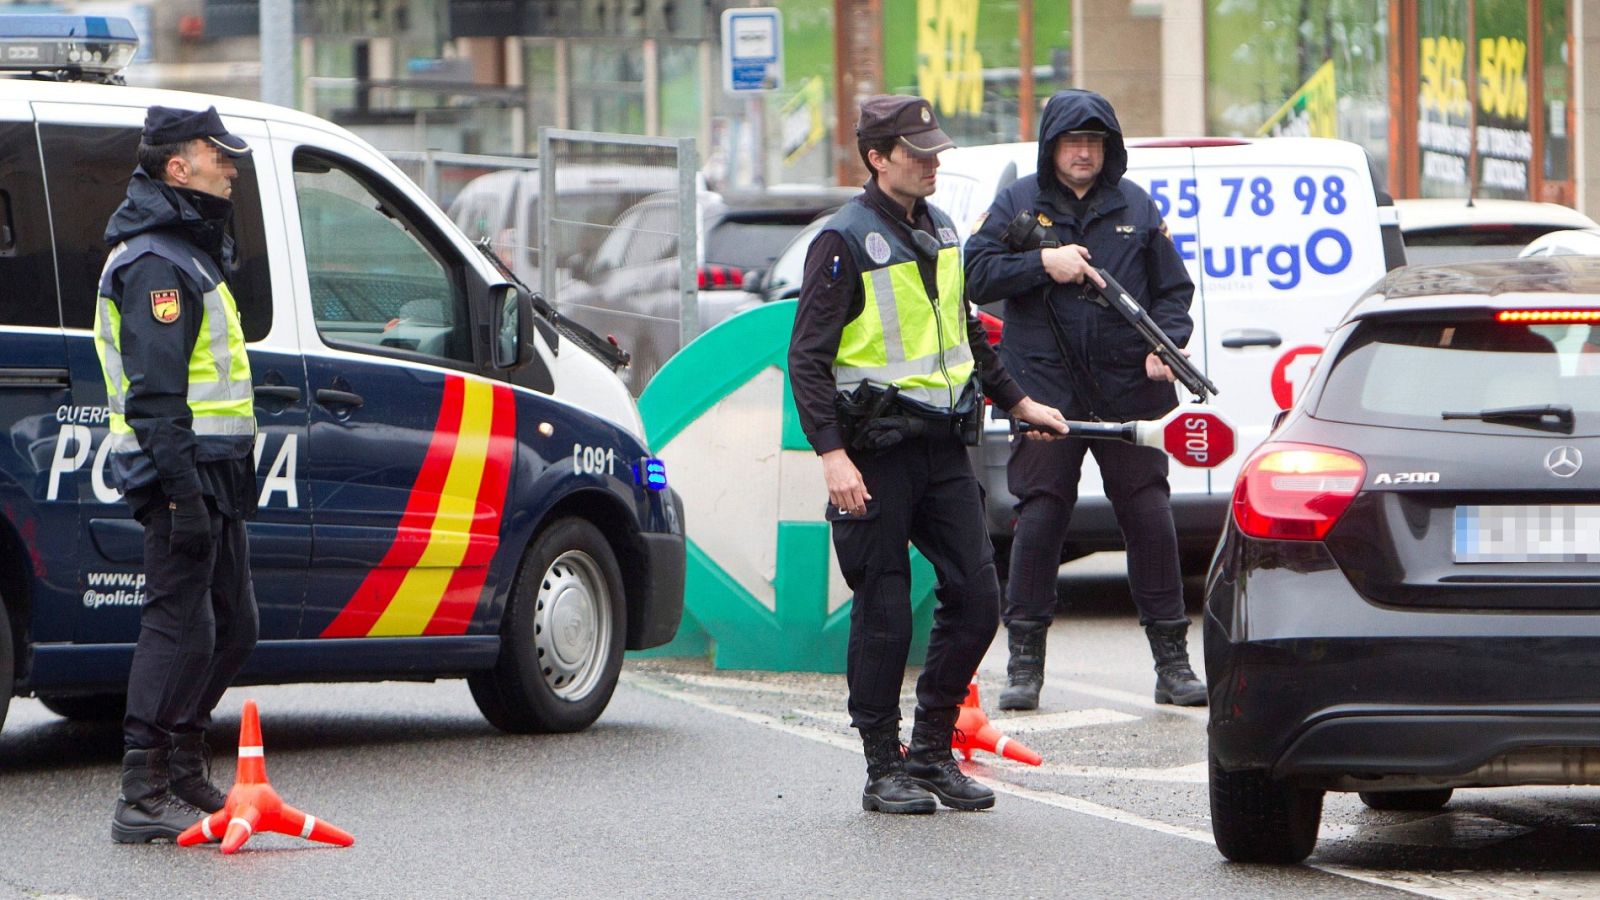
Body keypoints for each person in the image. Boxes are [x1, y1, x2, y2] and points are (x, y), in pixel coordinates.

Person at [788, 95, 1069, 814]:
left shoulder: (943, 228)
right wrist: (831, 455)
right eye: (916, 152)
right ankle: (885, 765)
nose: (932, 161)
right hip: (873, 452)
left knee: (977, 601)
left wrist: (1018, 401)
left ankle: (935, 750)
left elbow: (967, 335)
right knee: (884, 613)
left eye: (935, 149)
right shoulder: (842, 240)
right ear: (877, 159)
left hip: (944, 448)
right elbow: (807, 361)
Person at [965, 89, 1207, 711]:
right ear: (1052, 148)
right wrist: (1044, 262)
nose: (1083, 153)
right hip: (1044, 391)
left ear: (1109, 147)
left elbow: (1173, 294)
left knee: (1150, 519)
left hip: (1130, 386)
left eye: (1095, 142)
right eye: (1073, 142)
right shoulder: (1019, 202)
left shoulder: (1136, 205)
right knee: (1041, 517)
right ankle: (1024, 666)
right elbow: (975, 274)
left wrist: (1167, 346)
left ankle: (1173, 663)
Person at [97, 105, 260, 843]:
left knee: (233, 626)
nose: (230, 166)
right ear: (177, 166)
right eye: (217, 154)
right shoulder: (155, 263)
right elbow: (157, 398)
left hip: (212, 472)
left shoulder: (188, 250)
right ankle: (142, 789)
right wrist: (182, 493)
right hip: (178, 474)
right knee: (178, 625)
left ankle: (186, 763)